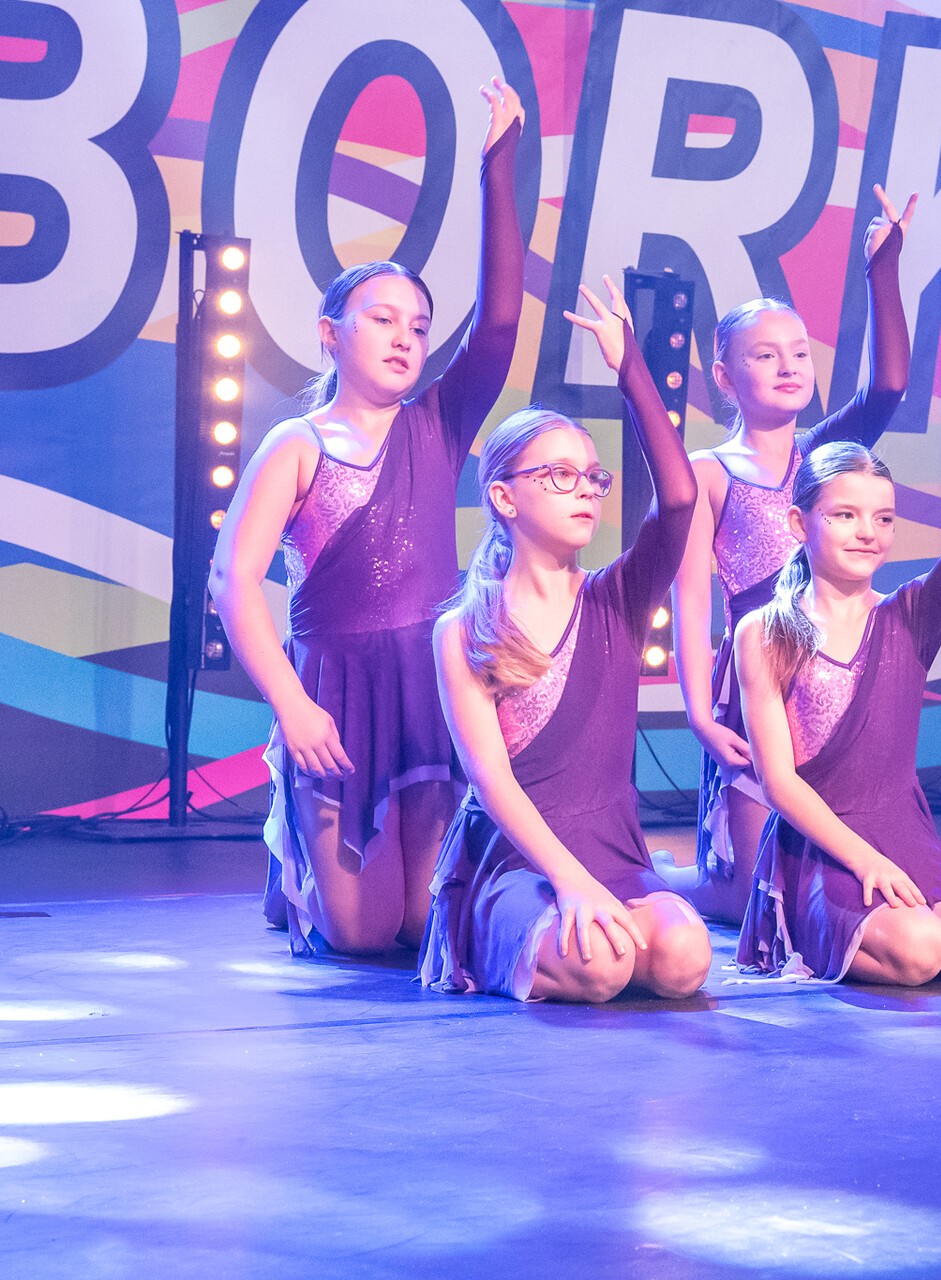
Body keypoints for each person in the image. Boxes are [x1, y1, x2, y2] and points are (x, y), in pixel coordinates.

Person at [209, 79, 526, 955]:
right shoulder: (298, 444)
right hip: (336, 692)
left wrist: (498, 163)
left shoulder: (439, 424)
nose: (403, 337)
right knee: (360, 933)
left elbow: (500, 323)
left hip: (426, 682)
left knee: (422, 924)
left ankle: (308, 856)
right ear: (330, 333)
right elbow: (233, 580)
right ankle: (291, 851)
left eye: (418, 327)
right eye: (382, 319)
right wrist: (292, 707)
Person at [731, 333, 941, 985]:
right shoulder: (764, 632)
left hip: (906, 833)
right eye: (845, 515)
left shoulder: (910, 615)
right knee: (920, 949)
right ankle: (814, 930)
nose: (867, 533)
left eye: (882, 519)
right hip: (824, 844)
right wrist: (863, 860)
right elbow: (779, 781)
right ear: (799, 523)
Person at [420, 279, 709, 1001]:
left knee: (683, 957)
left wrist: (630, 367)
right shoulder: (464, 628)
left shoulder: (617, 600)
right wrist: (569, 881)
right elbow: (491, 780)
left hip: (612, 852)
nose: (584, 489)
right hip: (521, 862)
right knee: (602, 966)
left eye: (592, 477)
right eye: (558, 475)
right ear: (504, 497)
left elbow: (680, 499)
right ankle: (506, 940)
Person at [673, 188, 915, 925]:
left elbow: (889, 384)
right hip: (760, 677)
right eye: (764, 355)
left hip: (835, 672)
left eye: (800, 353)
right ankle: (649, 878)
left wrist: (883, 269)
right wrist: (697, 713)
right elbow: (691, 598)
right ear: (724, 377)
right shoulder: (709, 472)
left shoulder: (828, 455)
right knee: (745, 896)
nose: (788, 366)